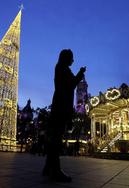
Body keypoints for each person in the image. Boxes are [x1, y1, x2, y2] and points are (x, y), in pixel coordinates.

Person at [43, 49, 86, 182]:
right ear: (66, 58)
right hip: (61, 106)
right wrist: (80, 73)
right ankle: (55, 170)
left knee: (55, 137)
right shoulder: (63, 68)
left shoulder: (61, 68)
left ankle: (48, 167)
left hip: (60, 106)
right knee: (56, 138)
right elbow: (71, 84)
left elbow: (70, 84)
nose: (73, 60)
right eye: (71, 58)